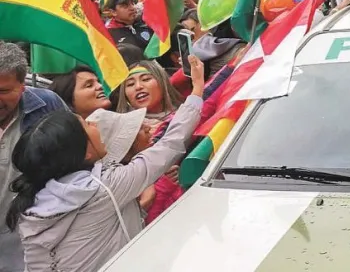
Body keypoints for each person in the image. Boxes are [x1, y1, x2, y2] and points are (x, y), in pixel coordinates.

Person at [8, 56, 204, 272]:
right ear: (84, 153)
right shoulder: (105, 188)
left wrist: (137, 209)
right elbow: (170, 144)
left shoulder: (34, 198)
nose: (94, 124)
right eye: (85, 125)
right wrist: (196, 92)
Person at [0, 43, 68, 271]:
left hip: (35, 231)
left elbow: (74, 156)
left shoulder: (47, 106)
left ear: (23, 86)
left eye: (4, 91)